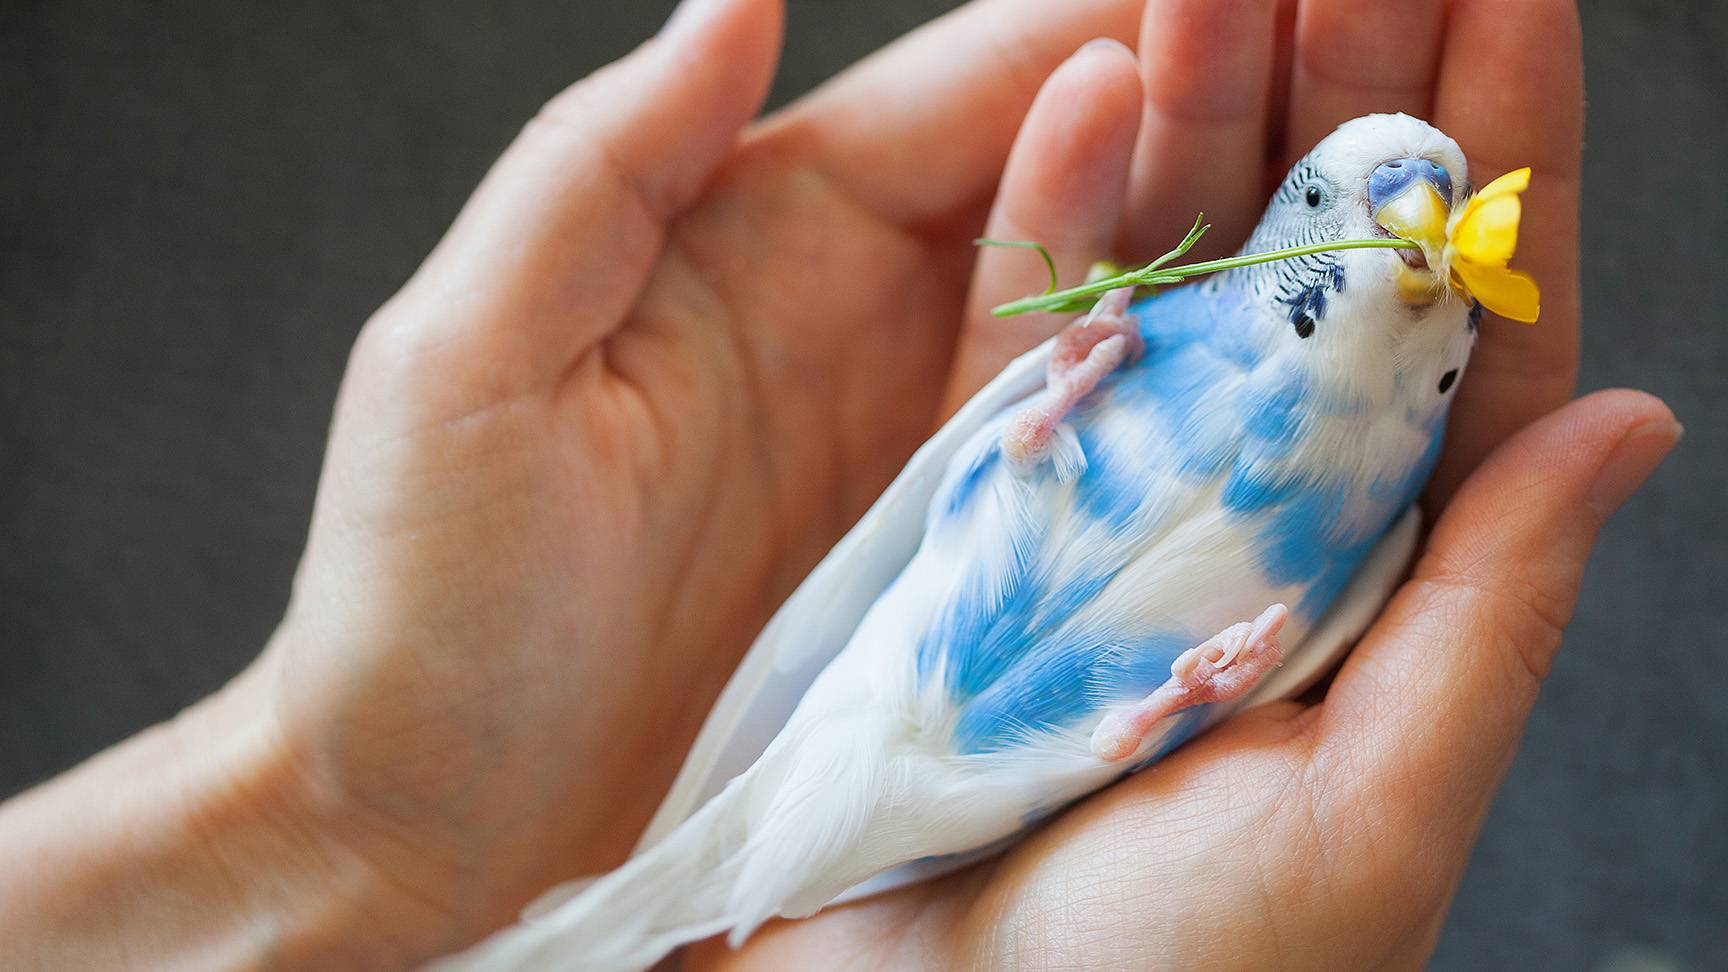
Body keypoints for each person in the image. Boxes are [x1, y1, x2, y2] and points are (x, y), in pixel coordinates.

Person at [0, 0, 1680, 968]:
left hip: (1015, 754)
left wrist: (1197, 694)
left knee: (674, 896)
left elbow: (1254, 672)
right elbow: (952, 495)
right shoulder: (1164, 326)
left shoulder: (1385, 513)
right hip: (917, 655)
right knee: (665, 888)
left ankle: (623, 921)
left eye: (1429, 238)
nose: (1398, 246)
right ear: (1286, 222)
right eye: (1347, 203)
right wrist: (1045, 403)